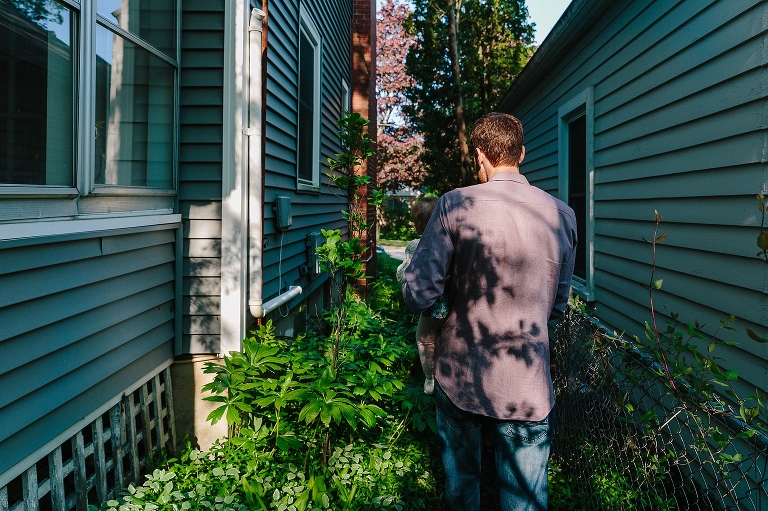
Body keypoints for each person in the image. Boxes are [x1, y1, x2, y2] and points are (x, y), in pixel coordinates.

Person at [402, 112, 577, 511]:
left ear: (480, 155)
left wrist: (447, 300)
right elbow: (559, 304)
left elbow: (418, 295)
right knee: (525, 501)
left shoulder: (454, 205)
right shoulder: (561, 215)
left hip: (461, 377)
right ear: (523, 154)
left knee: (462, 489)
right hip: (527, 384)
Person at [395, 196, 446, 395]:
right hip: (455, 304)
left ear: (418, 225)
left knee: (424, 339)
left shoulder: (416, 245)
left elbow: (404, 273)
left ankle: (430, 379)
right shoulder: (450, 241)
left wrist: (401, 276)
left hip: (432, 305)